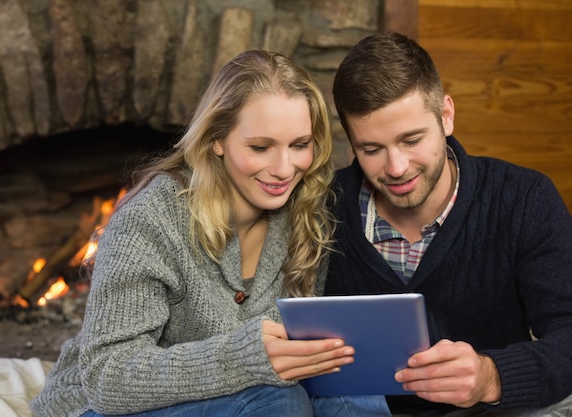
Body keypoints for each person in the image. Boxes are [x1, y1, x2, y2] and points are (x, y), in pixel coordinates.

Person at [30, 50, 390, 417]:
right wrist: (245, 357)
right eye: (260, 147)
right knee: (278, 401)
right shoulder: (151, 218)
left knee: (350, 390)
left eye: (300, 145)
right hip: (104, 407)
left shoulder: (309, 211)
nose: (285, 169)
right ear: (217, 140)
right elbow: (108, 377)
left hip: (236, 401)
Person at [326, 32, 572, 417]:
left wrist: (493, 377)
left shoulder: (524, 198)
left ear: (446, 115)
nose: (396, 168)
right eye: (371, 149)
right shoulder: (323, 209)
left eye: (412, 140)